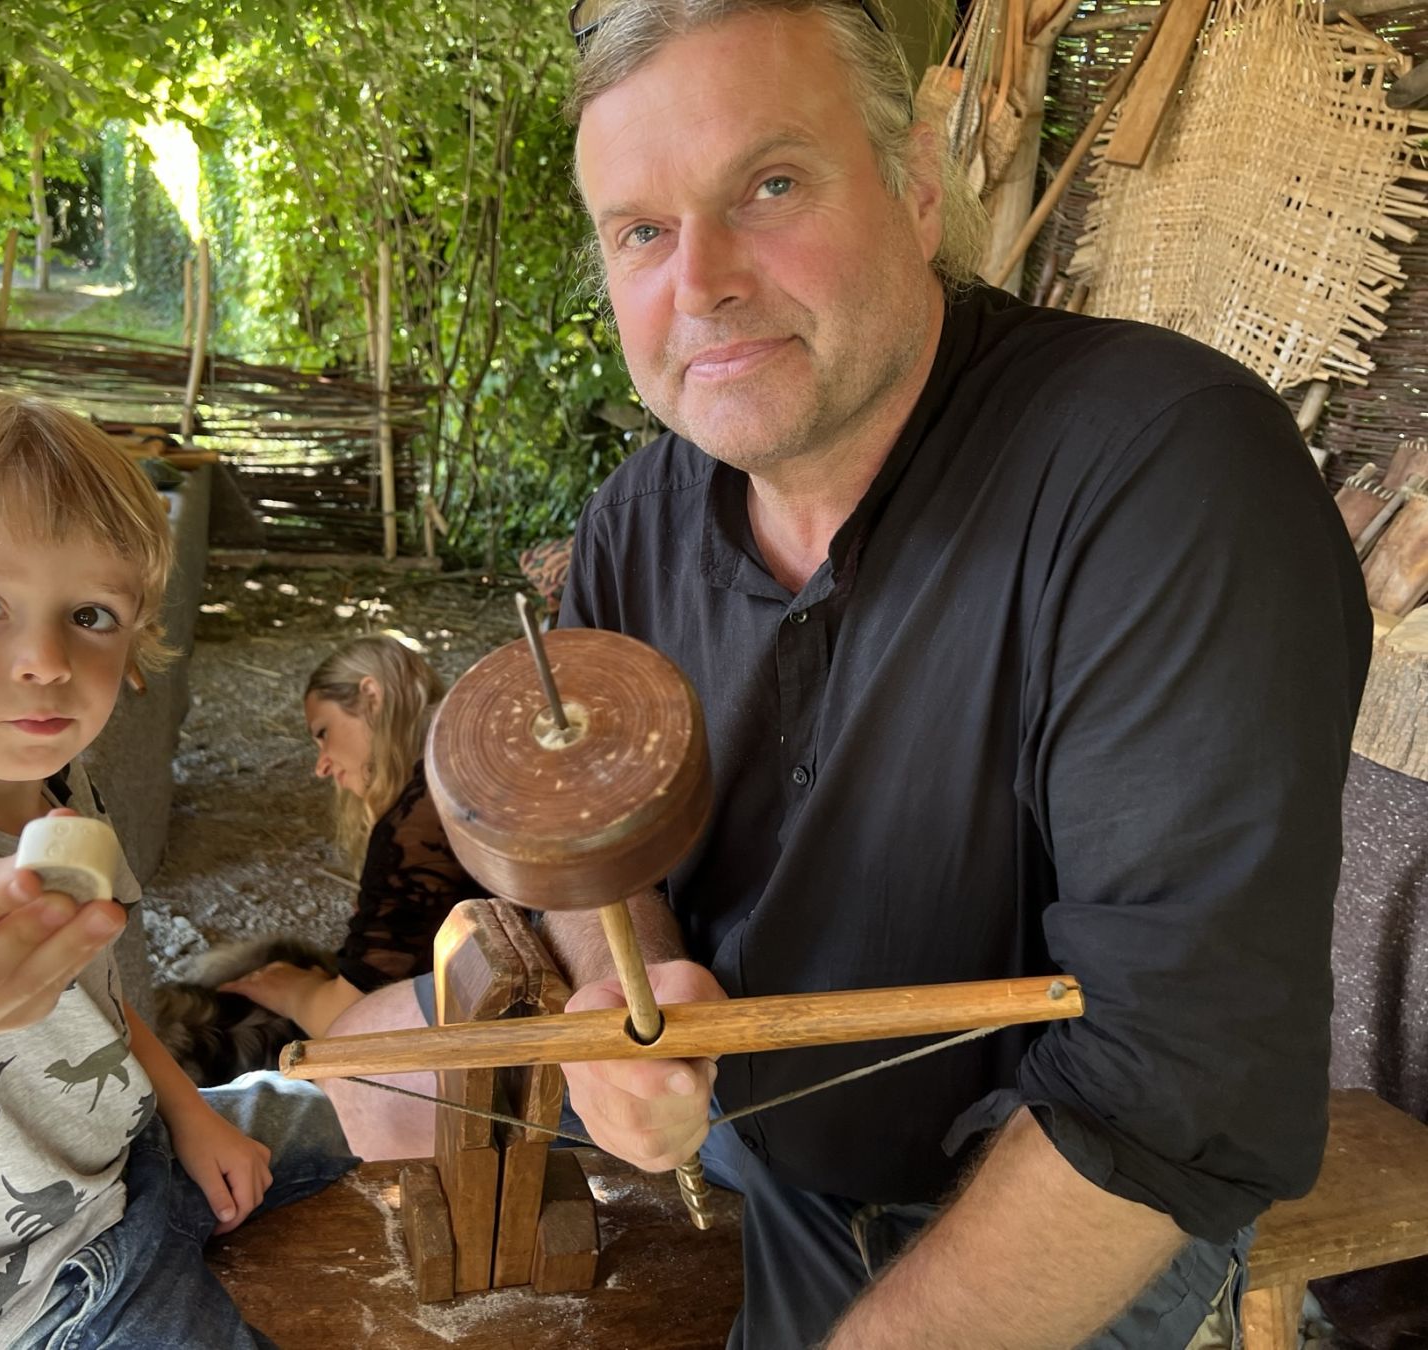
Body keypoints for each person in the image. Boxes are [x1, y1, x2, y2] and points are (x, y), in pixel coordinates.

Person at [334, 3, 1371, 1347]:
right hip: (756, 1147)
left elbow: (1171, 1090)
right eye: (641, 230)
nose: (699, 278)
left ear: (920, 180)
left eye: (768, 185)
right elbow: (597, 842)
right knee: (357, 1089)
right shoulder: (642, 519)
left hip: (1054, 1203)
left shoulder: (1162, 472)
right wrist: (629, 989)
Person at [0, 393, 356, 1350]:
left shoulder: (58, 791)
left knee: (376, 1110)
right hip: (25, 1294)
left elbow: (97, 1002)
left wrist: (187, 1115)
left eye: (89, 613)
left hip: (133, 1154)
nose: (46, 660)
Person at [219, 635, 484, 1037]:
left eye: (323, 732)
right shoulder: (453, 768)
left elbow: (355, 1024)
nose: (321, 767)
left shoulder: (414, 823)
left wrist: (294, 993)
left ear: (371, 697)